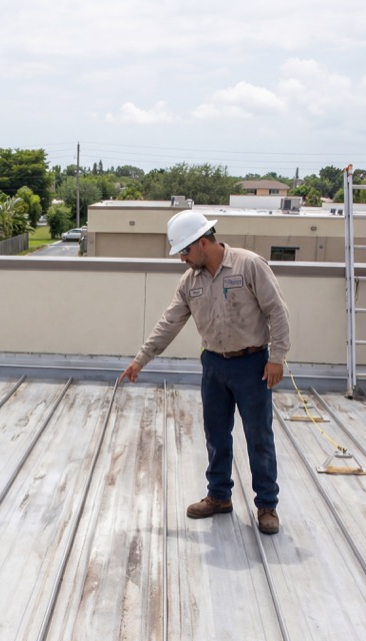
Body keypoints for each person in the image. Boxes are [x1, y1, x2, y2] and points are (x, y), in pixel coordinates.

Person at [120, 210, 291, 535]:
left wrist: (277, 357)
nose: (182, 259)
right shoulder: (191, 282)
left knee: (258, 437)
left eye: (184, 251)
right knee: (216, 434)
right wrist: (141, 359)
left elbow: (277, 312)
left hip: (252, 365)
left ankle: (267, 505)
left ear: (202, 243)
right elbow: (169, 322)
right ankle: (219, 496)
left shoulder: (248, 265)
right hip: (213, 365)